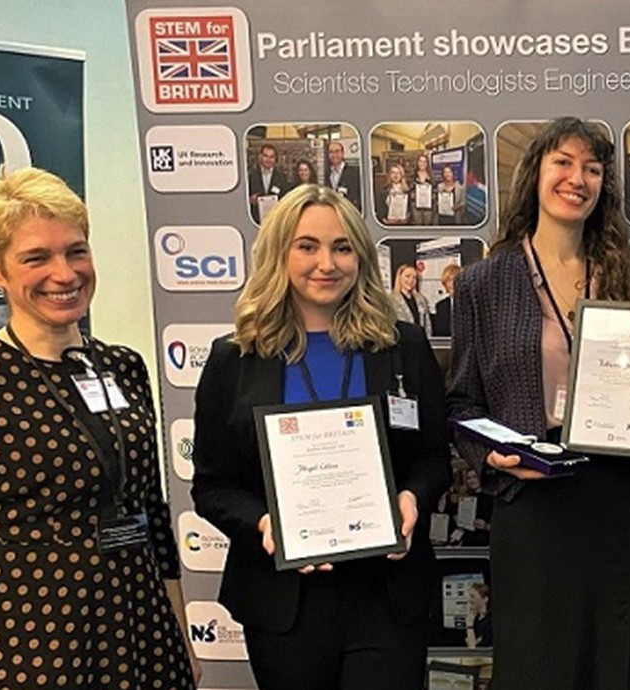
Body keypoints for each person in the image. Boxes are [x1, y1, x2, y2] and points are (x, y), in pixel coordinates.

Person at [0, 167, 199, 689]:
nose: (65, 273)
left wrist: (179, 635)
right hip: (33, 645)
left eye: (76, 251)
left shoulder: (122, 366)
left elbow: (150, 514)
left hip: (144, 635)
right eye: (37, 258)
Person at [447, 116, 630, 690]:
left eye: (591, 167)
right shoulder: (483, 284)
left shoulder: (628, 277)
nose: (576, 178)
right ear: (536, 173)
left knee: (622, 665)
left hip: (617, 497)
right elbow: (460, 404)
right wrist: (492, 458)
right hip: (532, 501)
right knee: (539, 665)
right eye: (563, 162)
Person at [192, 184, 450, 689]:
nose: (326, 263)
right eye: (307, 246)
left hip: (387, 594)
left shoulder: (403, 347)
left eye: (342, 246)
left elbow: (433, 460)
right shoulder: (234, 359)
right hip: (284, 599)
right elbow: (213, 487)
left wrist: (413, 498)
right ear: (278, 254)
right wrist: (265, 524)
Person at [250, 143, 291, 223]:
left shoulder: (282, 177)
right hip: (255, 220)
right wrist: (250, 199)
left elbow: (285, 197)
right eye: (265, 156)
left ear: (275, 159)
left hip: (275, 219)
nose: (268, 159)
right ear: (260, 157)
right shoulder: (251, 175)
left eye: (271, 157)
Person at [390, 263, 432, 335]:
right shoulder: (391, 300)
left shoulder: (422, 299)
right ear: (399, 278)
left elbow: (427, 325)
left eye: (414, 277)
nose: (411, 280)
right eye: (407, 276)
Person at [325, 140, 362, 211]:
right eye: (331, 152)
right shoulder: (327, 173)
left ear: (342, 153)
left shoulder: (354, 173)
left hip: (349, 212)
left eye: (337, 151)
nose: (334, 155)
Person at [432, 263, 461, 337]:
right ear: (444, 284)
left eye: (456, 280)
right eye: (449, 280)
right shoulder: (440, 306)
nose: (452, 284)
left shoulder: (470, 304)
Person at [410, 153, 437, 226]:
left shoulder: (431, 175)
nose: (422, 163)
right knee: (417, 226)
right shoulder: (412, 175)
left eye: (425, 161)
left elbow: (435, 189)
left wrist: (432, 196)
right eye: (420, 161)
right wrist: (413, 195)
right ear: (417, 162)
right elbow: (409, 189)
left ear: (427, 163)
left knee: (427, 226)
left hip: (428, 207)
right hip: (416, 207)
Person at [465, 583, 494, 649]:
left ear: (485, 599)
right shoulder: (476, 619)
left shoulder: (491, 621)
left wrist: (469, 626)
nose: (469, 600)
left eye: (472, 596)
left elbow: (473, 648)